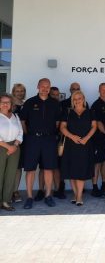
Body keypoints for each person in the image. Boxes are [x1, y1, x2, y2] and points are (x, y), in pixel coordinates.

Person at [20, 78, 61, 209]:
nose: (45, 88)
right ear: (38, 86)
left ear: (50, 88)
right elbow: (23, 122)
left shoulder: (55, 103)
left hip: (49, 140)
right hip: (32, 140)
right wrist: (30, 135)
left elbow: (57, 123)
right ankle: (30, 197)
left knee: (48, 168)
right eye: (42, 86)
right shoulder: (30, 102)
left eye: (47, 86)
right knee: (30, 169)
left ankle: (48, 195)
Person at [60, 90, 97, 206]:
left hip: (85, 145)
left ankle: (79, 196)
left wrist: (86, 138)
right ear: (72, 100)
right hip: (71, 145)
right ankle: (75, 195)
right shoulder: (67, 112)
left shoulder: (91, 112)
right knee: (72, 171)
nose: (77, 101)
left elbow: (94, 126)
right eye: (74, 99)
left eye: (79, 98)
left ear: (83, 99)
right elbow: (62, 127)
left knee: (81, 171)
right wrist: (72, 136)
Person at [0, 93, 23, 211]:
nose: (5, 104)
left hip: (15, 147)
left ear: (11, 104)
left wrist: (14, 145)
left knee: (10, 175)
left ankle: (5, 201)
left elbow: (20, 132)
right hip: (1, 146)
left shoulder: (15, 116)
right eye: (2, 102)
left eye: (7, 102)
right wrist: (8, 147)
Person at [90, 83, 105, 197]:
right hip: (98, 138)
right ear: (99, 90)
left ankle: (104, 184)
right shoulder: (96, 105)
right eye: (103, 89)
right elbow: (97, 123)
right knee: (97, 163)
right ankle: (94, 187)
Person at [50, 86, 67, 200]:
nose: (56, 97)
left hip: (63, 140)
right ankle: (56, 188)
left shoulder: (62, 106)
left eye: (57, 95)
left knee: (61, 165)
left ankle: (61, 187)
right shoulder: (47, 106)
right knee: (54, 165)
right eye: (53, 95)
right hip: (50, 139)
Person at [11, 83, 26, 203]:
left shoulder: (27, 105)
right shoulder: (8, 105)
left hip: (22, 140)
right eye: (17, 91)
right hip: (8, 141)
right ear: (13, 92)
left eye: (22, 91)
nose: (20, 93)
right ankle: (6, 191)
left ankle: (15, 191)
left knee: (18, 167)